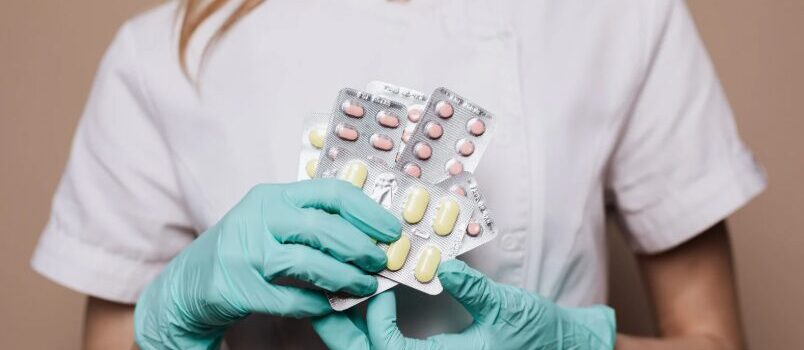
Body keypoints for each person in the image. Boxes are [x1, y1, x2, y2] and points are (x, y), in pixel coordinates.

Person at [31, 0, 766, 349]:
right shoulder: (160, 55)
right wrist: (170, 321)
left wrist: (575, 347)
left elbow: (713, 340)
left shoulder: (622, 15)